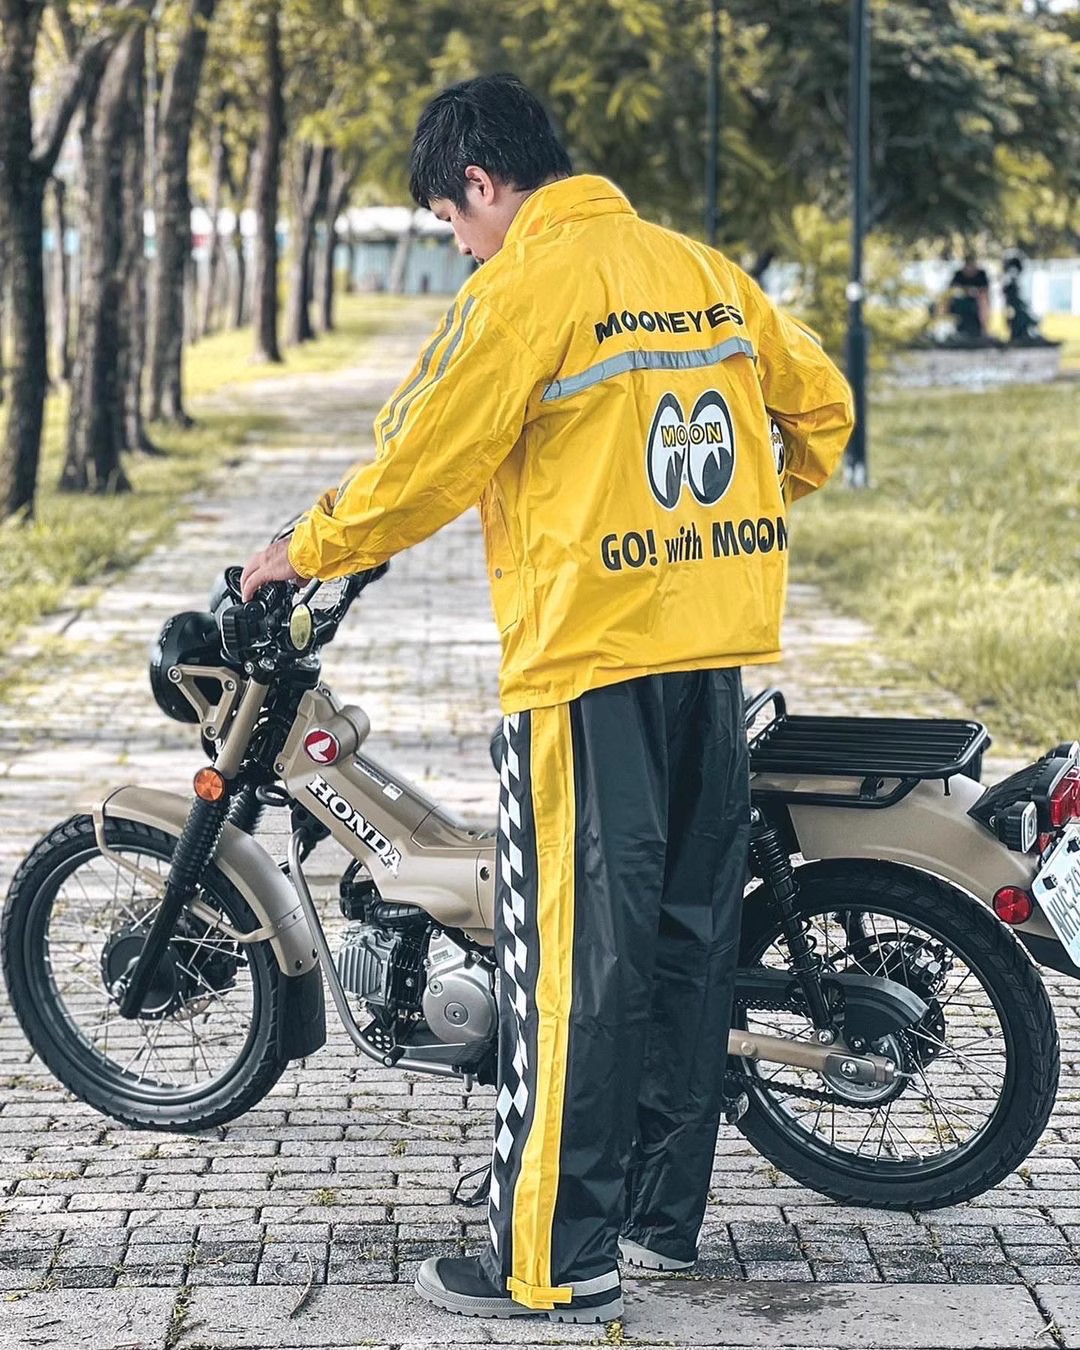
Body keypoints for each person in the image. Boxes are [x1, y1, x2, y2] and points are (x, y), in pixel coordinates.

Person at [240, 74, 854, 1325]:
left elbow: (420, 465)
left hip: (589, 672)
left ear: (481, 181)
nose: (458, 243)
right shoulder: (704, 271)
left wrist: (300, 550)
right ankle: (655, 1221)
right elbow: (823, 415)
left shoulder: (522, 289)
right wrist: (726, 525)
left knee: (572, 961)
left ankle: (552, 1260)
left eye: (449, 220)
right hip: (712, 656)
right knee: (689, 941)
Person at [944, 253, 990, 341]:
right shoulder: (958, 275)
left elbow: (984, 290)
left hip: (978, 302)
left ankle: (985, 329)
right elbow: (952, 289)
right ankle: (946, 328)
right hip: (960, 301)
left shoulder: (981, 274)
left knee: (983, 302)